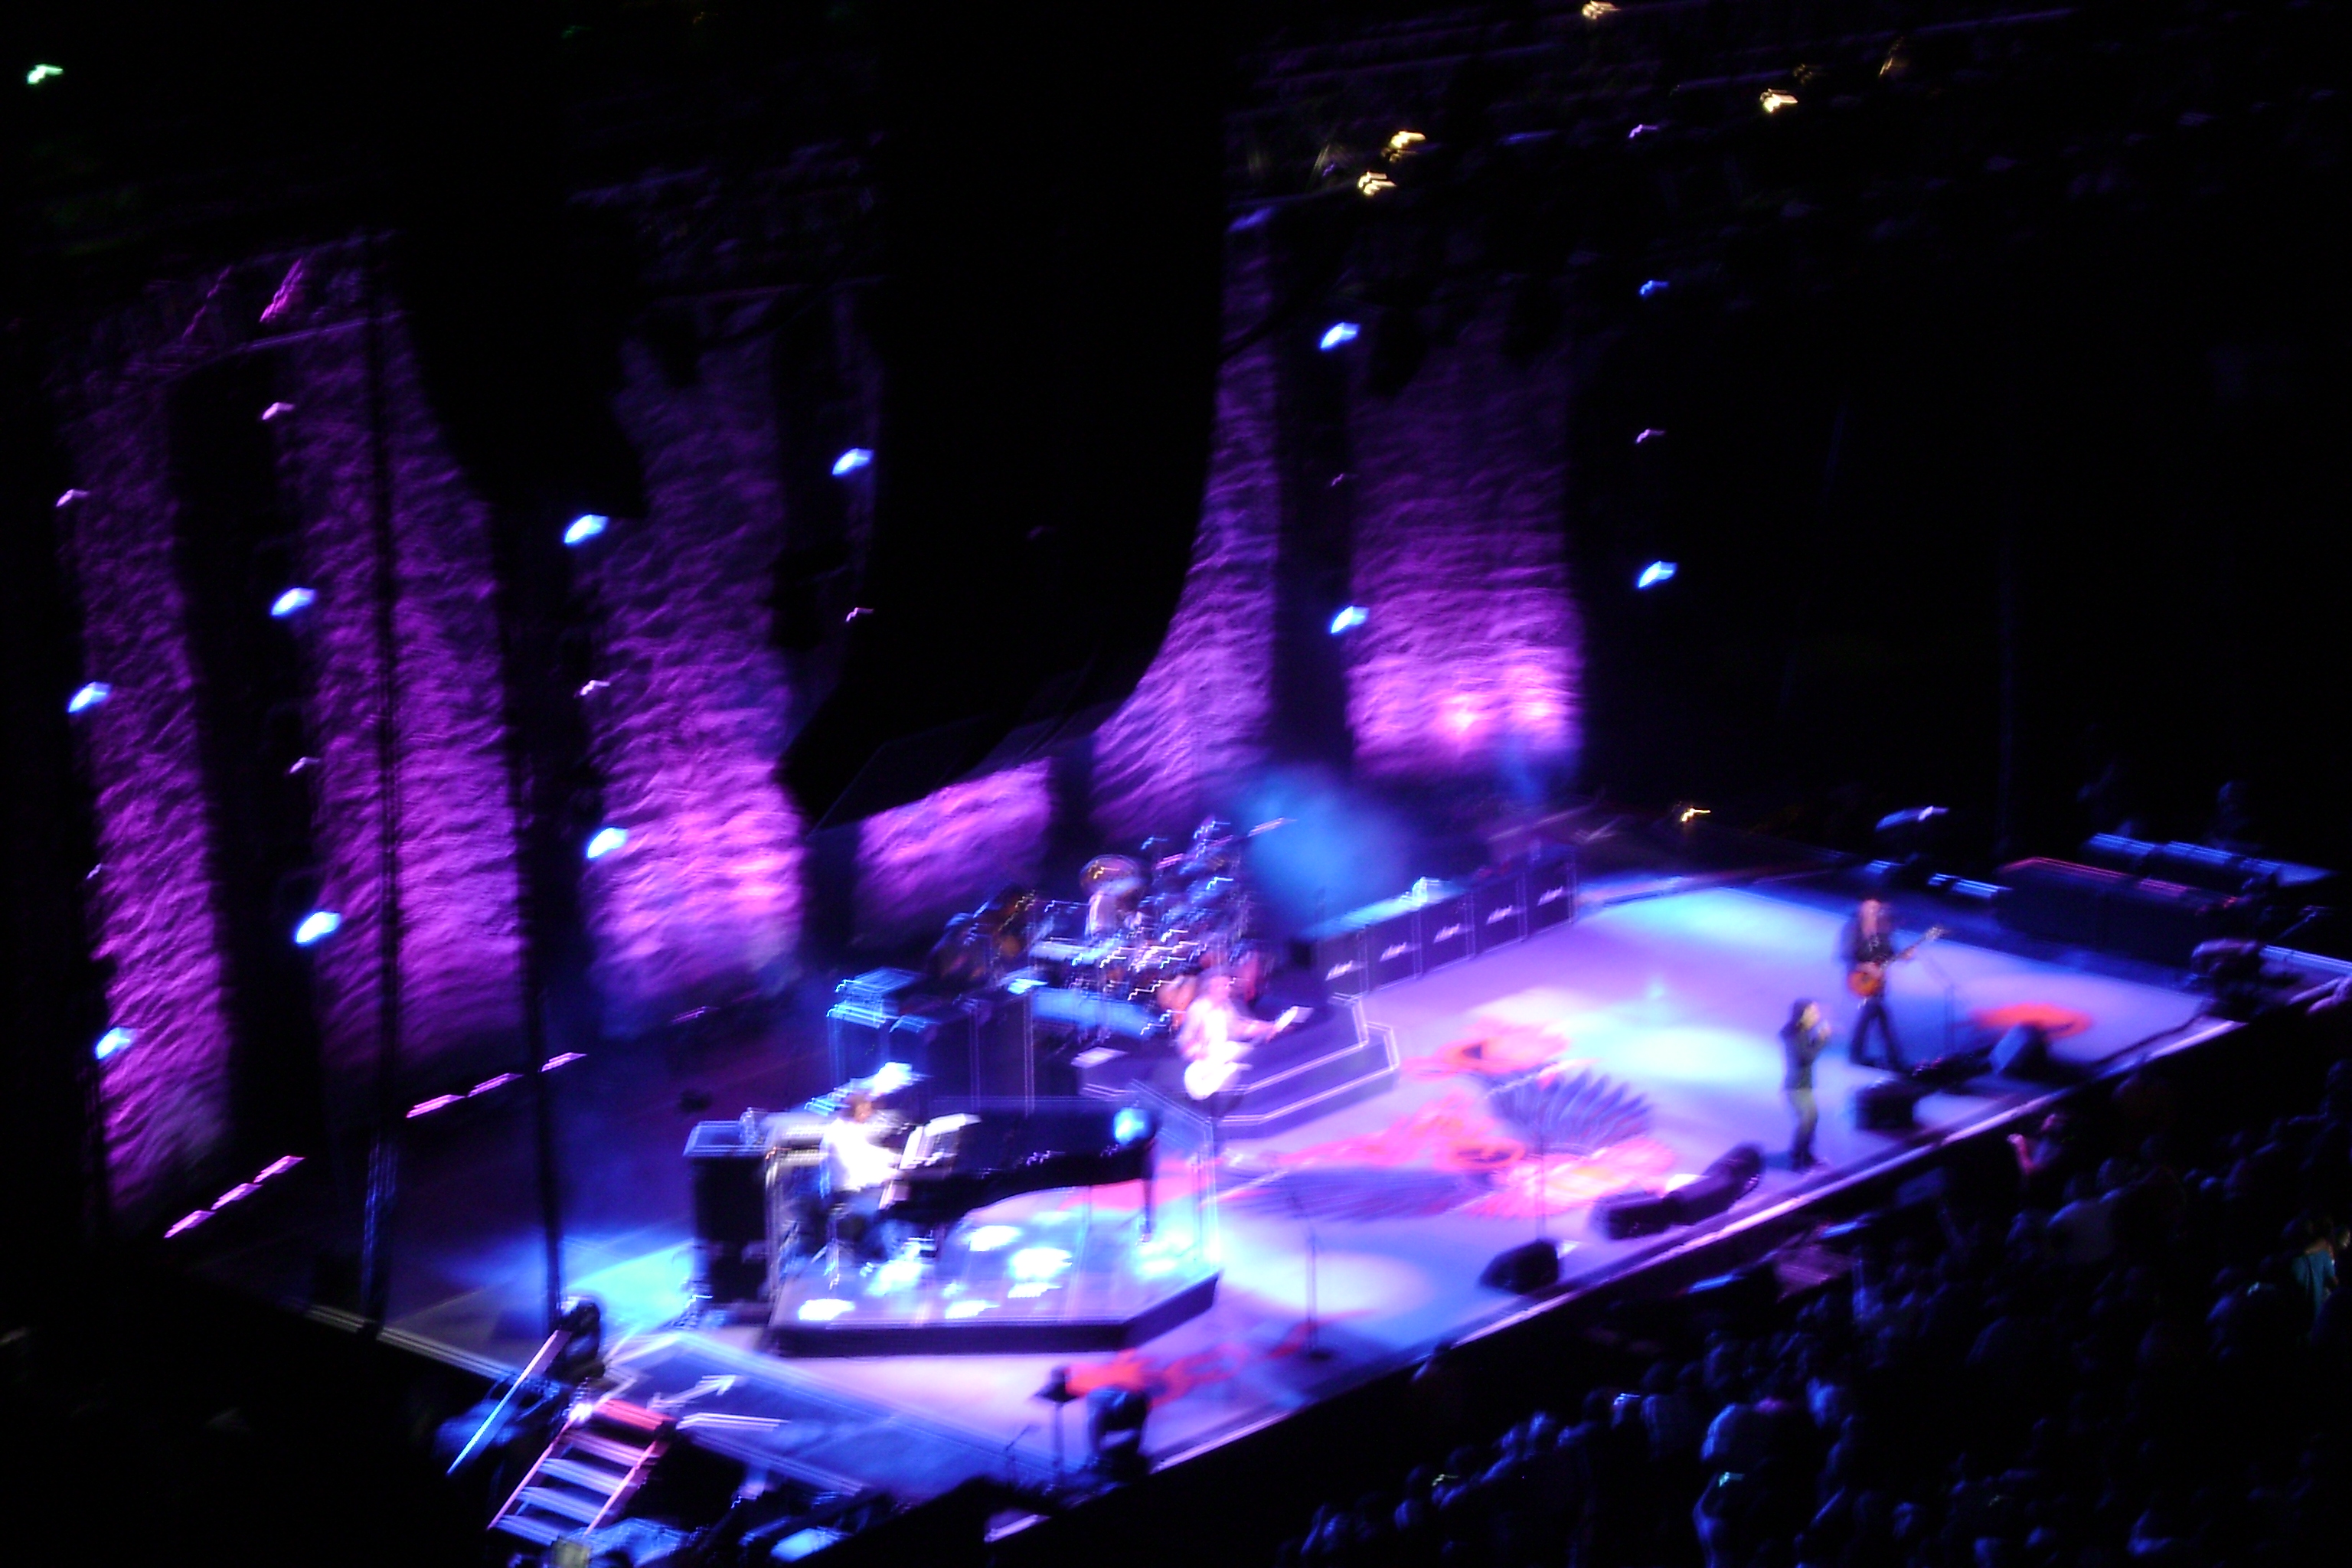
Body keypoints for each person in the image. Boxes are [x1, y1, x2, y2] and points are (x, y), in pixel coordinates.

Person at [1838, 898, 1907, 1070]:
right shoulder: (1853, 929)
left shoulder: (1882, 930)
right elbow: (1846, 955)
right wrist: (1865, 966)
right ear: (1862, 909)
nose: (1874, 912)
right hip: (1860, 979)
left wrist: (1904, 956)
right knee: (1880, 1016)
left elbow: (1889, 954)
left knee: (1872, 1015)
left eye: (1876, 908)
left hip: (1878, 983)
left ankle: (1857, 1055)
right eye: (1870, 908)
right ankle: (1894, 1059)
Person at [1781, 999, 1832, 1171]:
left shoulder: (1801, 1031)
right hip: (1796, 1087)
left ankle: (1806, 1156)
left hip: (1803, 1085)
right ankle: (1798, 1159)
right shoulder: (1795, 1034)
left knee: (1811, 1120)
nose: (1817, 1015)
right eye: (1813, 1012)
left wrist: (1820, 1037)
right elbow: (1806, 1057)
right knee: (1806, 1122)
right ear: (1803, 1014)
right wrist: (1821, 1039)